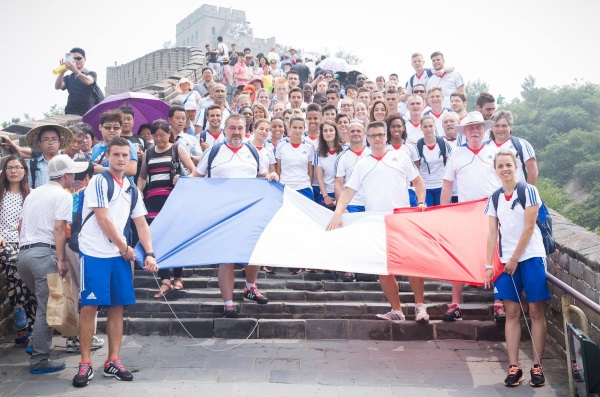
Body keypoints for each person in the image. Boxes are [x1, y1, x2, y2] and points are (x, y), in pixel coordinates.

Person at [74, 138, 158, 387]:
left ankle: (113, 360)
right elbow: (103, 219)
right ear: (107, 156)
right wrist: (125, 247)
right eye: (116, 154)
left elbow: (141, 222)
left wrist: (150, 253)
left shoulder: (132, 188)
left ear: (132, 158)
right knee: (89, 307)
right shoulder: (100, 181)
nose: (121, 159)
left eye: (126, 155)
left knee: (117, 306)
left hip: (118, 255)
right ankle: (85, 362)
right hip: (94, 253)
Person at [327, 121, 426, 321]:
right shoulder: (363, 164)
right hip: (376, 223)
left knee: (412, 264)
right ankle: (397, 310)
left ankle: (420, 307)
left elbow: (418, 182)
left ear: (386, 136)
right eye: (373, 136)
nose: (378, 139)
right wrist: (338, 213)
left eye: (381, 134)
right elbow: (348, 191)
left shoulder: (401, 157)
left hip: (401, 219)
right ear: (368, 138)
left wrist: (422, 201)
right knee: (382, 267)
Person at [191, 115, 277, 317]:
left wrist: (271, 176)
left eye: (240, 128)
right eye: (232, 128)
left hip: (249, 212)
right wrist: (182, 181)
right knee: (227, 258)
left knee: (254, 253)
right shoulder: (213, 152)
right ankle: (228, 302)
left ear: (245, 129)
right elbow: (196, 177)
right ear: (224, 129)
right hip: (222, 214)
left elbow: (262, 175)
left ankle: (250, 288)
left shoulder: (252, 152)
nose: (236, 132)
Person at [483, 149, 550, 388]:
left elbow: (529, 228)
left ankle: (537, 365)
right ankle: (514, 367)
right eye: (500, 166)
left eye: (508, 165)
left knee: (535, 312)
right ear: (496, 170)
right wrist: (489, 264)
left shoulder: (529, 191)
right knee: (511, 313)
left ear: (516, 166)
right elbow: (491, 232)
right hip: (506, 261)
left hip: (530, 257)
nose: (505, 169)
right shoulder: (494, 198)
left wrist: (514, 258)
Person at [18, 154, 89, 374]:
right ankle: (39, 360)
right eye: (73, 173)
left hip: (24, 256)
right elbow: (59, 228)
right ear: (67, 175)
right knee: (46, 309)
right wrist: (61, 259)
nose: (75, 176)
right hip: (44, 255)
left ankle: (34, 344)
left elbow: (21, 225)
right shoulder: (63, 195)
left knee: (43, 305)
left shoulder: (33, 194)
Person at [440, 111, 500, 321]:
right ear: (464, 132)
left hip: (493, 212)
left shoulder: (495, 152)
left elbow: (505, 182)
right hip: (465, 213)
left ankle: (499, 302)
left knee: (496, 255)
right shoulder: (456, 154)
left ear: (484, 130)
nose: (475, 131)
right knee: (461, 256)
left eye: (478, 127)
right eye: (471, 128)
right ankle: (455, 303)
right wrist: (443, 212)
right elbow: (447, 185)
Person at [137, 120, 192, 297]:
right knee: (157, 238)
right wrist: (138, 192)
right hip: (153, 199)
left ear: (169, 134)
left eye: (162, 135)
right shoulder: (149, 152)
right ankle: (164, 279)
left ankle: (178, 277)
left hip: (174, 199)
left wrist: (182, 179)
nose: (159, 138)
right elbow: (142, 176)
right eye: (155, 135)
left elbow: (193, 171)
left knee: (175, 237)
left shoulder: (177, 149)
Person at [0, 156, 35, 348]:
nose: (13, 171)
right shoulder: (1, 194)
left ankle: (26, 331)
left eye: (18, 167)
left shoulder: (32, 195)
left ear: (25, 171)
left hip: (26, 241)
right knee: (14, 262)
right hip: (5, 242)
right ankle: (19, 310)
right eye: (9, 167)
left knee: (30, 274)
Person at [486, 110, 538, 184]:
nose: (500, 129)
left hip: (517, 193)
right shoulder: (484, 147)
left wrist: (527, 192)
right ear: (491, 128)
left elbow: (533, 171)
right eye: (497, 126)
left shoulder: (521, 145)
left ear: (510, 127)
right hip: (492, 194)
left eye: (504, 126)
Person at [415, 115, 452, 207]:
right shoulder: (417, 146)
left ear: (435, 126)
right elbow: (416, 167)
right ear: (421, 128)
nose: (428, 129)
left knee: (443, 213)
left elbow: (449, 162)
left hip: (441, 186)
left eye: (431, 126)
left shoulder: (443, 143)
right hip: (425, 188)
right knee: (428, 216)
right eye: (425, 126)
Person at [90, 111, 138, 179]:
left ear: (121, 128)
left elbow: (131, 170)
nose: (112, 130)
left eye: (116, 128)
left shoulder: (126, 144)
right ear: (100, 127)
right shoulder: (95, 148)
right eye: (108, 127)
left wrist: (102, 169)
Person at [55, 47, 98, 116]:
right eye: (73, 59)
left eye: (79, 58)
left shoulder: (91, 73)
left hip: (87, 114)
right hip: (70, 113)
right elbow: (57, 86)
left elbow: (88, 81)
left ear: (84, 59)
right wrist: (62, 72)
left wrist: (75, 70)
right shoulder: (68, 77)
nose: (76, 61)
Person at [316, 121, 344, 209]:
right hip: (327, 193)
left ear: (336, 132)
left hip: (344, 192)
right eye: (325, 131)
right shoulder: (318, 152)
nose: (328, 133)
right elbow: (319, 177)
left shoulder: (345, 149)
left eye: (331, 130)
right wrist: (325, 196)